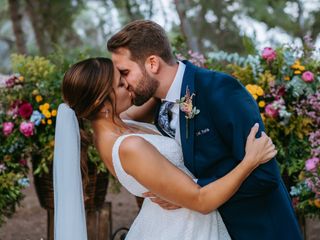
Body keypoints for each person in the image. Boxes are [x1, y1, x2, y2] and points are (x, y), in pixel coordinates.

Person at [107, 20, 303, 240]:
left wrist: (190, 194)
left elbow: (264, 176)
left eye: (125, 72)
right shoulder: (161, 107)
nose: (123, 82)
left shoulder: (220, 90)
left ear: (152, 63)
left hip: (257, 231)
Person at [54, 57, 277, 240]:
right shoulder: (129, 147)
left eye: (124, 75)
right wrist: (250, 161)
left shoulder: (118, 124)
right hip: (184, 229)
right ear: (100, 105)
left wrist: (165, 64)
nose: (128, 83)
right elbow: (201, 201)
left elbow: (165, 86)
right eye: (121, 84)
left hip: (173, 219)